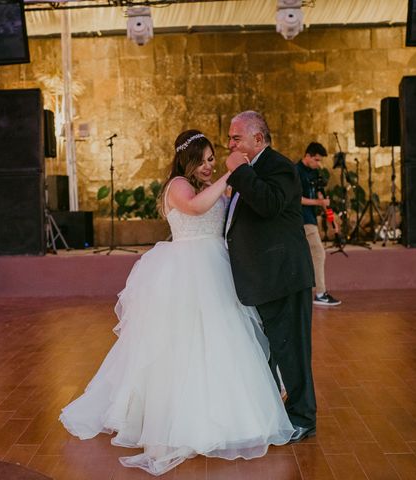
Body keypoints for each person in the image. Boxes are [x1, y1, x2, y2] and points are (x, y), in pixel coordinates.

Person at [60, 130, 294, 476]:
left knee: (223, 340)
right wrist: (233, 173)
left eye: (214, 160)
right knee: (184, 345)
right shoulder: (177, 187)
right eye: (205, 160)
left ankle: (231, 415)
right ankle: (182, 420)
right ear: (189, 160)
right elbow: (197, 208)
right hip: (188, 272)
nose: (210, 166)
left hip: (219, 268)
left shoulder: (211, 187)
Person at [225, 111, 317, 444]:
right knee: (274, 350)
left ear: (258, 139)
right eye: (230, 138)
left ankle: (303, 417)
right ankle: (279, 412)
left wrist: (241, 172)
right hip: (265, 278)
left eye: (236, 138)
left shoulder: (278, 166)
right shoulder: (252, 171)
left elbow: (269, 204)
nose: (230, 144)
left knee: (293, 350)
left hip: (284, 276)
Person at [297, 142, 341, 306]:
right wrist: (318, 201)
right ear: (307, 156)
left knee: (307, 256)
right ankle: (320, 294)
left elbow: (321, 196)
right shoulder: (296, 172)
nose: (318, 163)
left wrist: (332, 220)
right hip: (302, 219)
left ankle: (314, 294)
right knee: (318, 253)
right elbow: (297, 199)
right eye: (316, 160)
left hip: (311, 219)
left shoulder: (314, 173)